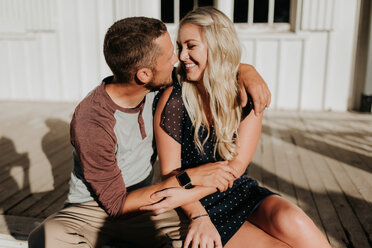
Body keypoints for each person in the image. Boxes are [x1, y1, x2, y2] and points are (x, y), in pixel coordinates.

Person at [27, 16, 271, 248]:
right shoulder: (91, 120)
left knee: (198, 238)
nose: (178, 59)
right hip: (91, 210)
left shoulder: (157, 84)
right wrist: (190, 177)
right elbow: (115, 205)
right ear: (144, 75)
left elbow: (210, 65)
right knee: (46, 238)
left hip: (148, 203)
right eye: (169, 56)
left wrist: (246, 71)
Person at [147, 7, 332, 248]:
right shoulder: (174, 99)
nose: (182, 56)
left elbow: (237, 167)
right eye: (180, 46)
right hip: (193, 203)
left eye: (191, 46)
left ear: (217, 46)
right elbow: (170, 174)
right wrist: (196, 210)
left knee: (294, 220)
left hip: (235, 189)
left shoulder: (246, 95)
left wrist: (247, 69)